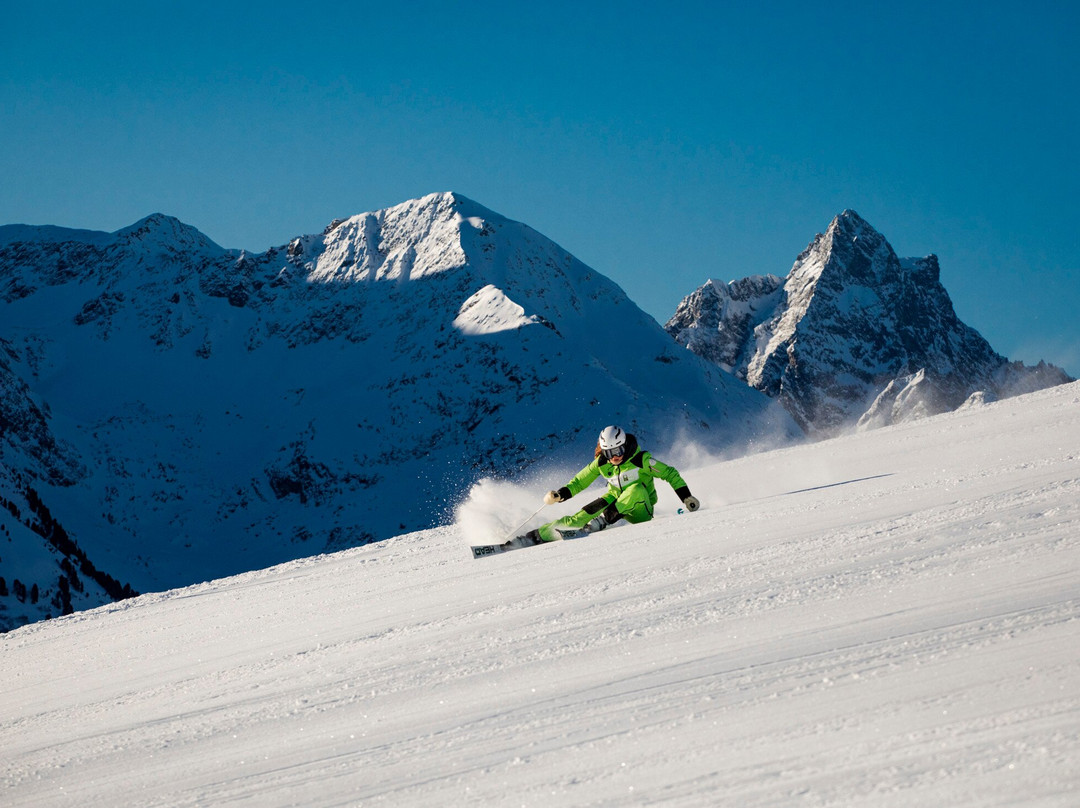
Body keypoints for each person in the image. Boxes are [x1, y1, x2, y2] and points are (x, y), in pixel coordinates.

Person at [526, 425, 700, 542]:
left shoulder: (641, 460)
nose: (615, 456)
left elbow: (670, 473)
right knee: (578, 517)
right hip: (614, 502)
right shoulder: (602, 463)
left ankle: (597, 524)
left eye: (619, 450)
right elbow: (580, 481)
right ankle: (533, 537)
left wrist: (686, 497)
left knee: (636, 489)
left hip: (640, 509)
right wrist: (560, 494)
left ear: (625, 446)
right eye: (610, 452)